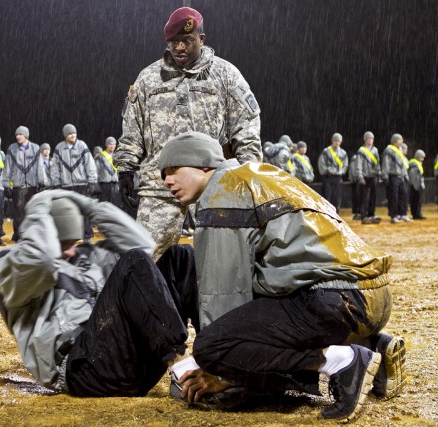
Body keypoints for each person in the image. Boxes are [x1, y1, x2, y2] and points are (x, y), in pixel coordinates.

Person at [159, 132, 405, 423]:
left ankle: (343, 362)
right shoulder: (260, 174)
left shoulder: (221, 190)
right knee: (264, 310)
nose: (166, 181)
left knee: (213, 346)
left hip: (334, 300)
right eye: (163, 174)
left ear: (203, 165)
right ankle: (371, 344)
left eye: (174, 169)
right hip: (368, 299)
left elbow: (224, 293)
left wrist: (225, 368)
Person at [0, 189, 198, 397]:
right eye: (63, 244)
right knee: (132, 262)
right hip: (82, 371)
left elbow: (144, 247)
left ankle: (212, 364)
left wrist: (92, 208)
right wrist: (38, 206)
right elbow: (41, 260)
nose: (71, 251)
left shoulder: (85, 257)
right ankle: (183, 369)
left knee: (179, 258)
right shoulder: (12, 266)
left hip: (123, 358)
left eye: (74, 243)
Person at [113, 6, 262, 260]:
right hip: (159, 186)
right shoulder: (148, 78)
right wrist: (126, 167)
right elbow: (132, 127)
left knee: (224, 261)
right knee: (143, 260)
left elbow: (246, 126)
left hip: (211, 185)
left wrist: (250, 171)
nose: (180, 48)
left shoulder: (226, 74)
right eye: (174, 42)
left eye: (187, 41)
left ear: (201, 40)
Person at [50, 124, 98, 242]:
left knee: (84, 211)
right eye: (70, 133)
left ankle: (87, 237)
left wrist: (92, 181)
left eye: (74, 133)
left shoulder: (82, 146)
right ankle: (69, 237)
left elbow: (90, 164)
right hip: (66, 186)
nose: (73, 135)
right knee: (67, 212)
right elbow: (55, 167)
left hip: (81, 184)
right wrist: (56, 183)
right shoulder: (59, 148)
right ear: (65, 135)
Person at [4, 126, 46, 242]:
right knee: (18, 214)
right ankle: (19, 235)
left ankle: (32, 235)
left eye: (20, 134)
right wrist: (6, 184)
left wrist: (41, 182)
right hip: (18, 186)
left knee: (32, 212)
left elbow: (40, 167)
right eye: (16, 135)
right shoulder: (11, 148)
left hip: (32, 186)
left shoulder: (36, 148)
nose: (17, 136)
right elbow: (7, 168)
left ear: (26, 135)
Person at [381, 134, 411, 223]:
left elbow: (403, 165)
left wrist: (405, 175)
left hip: (401, 177)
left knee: (404, 195)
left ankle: (403, 214)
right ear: (395, 141)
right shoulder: (389, 150)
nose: (402, 142)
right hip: (393, 176)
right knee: (393, 196)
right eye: (400, 140)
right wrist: (385, 175)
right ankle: (393, 215)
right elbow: (386, 163)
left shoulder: (400, 150)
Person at [317, 133, 348, 213]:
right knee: (327, 197)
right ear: (332, 141)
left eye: (338, 141)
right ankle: (327, 213)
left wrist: (341, 172)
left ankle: (336, 213)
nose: (337, 142)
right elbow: (321, 163)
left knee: (337, 197)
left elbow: (345, 165)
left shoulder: (343, 153)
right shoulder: (326, 151)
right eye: (335, 140)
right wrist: (326, 171)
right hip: (328, 177)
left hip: (338, 178)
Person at [356, 131, 382, 224]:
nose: (370, 140)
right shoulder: (361, 150)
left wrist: (379, 174)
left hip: (373, 176)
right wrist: (360, 176)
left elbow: (377, 164)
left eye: (371, 138)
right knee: (364, 197)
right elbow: (358, 164)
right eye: (368, 138)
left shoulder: (375, 150)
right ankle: (364, 216)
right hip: (365, 176)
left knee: (373, 196)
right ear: (365, 140)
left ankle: (371, 214)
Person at [94, 137, 120, 207]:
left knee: (114, 207)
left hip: (115, 185)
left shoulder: (117, 157)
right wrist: (96, 185)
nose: (112, 146)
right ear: (106, 145)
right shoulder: (100, 157)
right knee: (103, 207)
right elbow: (95, 171)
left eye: (114, 144)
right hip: (104, 185)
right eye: (110, 144)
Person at [408, 150, 426, 220]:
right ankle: (416, 214)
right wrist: (417, 186)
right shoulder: (414, 165)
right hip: (416, 186)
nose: (423, 159)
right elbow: (413, 176)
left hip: (416, 185)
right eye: (422, 157)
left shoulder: (416, 164)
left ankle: (417, 213)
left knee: (417, 200)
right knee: (416, 200)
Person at [348, 152, 361, 220]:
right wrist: (356, 178)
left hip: (360, 180)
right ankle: (356, 212)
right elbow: (353, 169)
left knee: (359, 197)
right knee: (356, 197)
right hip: (356, 181)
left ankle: (359, 212)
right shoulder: (355, 158)